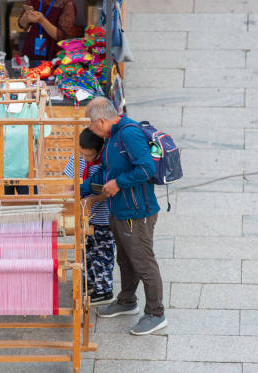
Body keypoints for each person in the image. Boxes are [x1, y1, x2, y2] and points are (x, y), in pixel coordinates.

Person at [81, 97, 167, 336]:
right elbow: (106, 174)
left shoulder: (128, 135)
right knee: (126, 259)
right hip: (119, 210)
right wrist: (79, 190)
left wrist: (119, 183)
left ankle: (155, 313)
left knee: (143, 262)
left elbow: (146, 168)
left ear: (100, 121)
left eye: (90, 123)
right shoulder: (112, 137)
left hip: (136, 213)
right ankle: (127, 301)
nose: (90, 128)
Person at [63, 128, 115, 305]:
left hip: (104, 215)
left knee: (103, 252)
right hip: (84, 215)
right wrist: (67, 198)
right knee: (87, 251)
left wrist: (91, 200)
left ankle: (104, 290)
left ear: (100, 150)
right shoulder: (78, 158)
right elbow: (69, 183)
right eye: (82, 154)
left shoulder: (107, 162)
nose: (85, 159)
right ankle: (89, 283)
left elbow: (108, 191)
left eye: (89, 156)